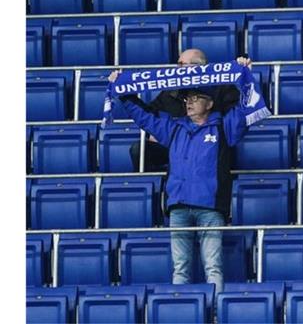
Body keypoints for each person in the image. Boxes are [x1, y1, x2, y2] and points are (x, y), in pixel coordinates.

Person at [109, 56, 257, 293]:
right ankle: (180, 313)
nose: (189, 102)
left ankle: (214, 315)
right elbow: (144, 116)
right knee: (181, 268)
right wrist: (123, 91)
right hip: (178, 207)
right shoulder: (174, 127)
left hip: (210, 208)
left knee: (213, 267)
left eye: (195, 98)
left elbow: (245, 110)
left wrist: (246, 78)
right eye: (187, 98)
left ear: (209, 103)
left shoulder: (223, 127)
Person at [128, 48, 239, 171]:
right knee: (140, 149)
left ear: (197, 67)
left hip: (208, 145)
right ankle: (157, 185)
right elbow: (150, 115)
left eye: (181, 65)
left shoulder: (222, 88)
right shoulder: (170, 92)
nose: (177, 69)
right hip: (175, 144)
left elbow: (234, 119)